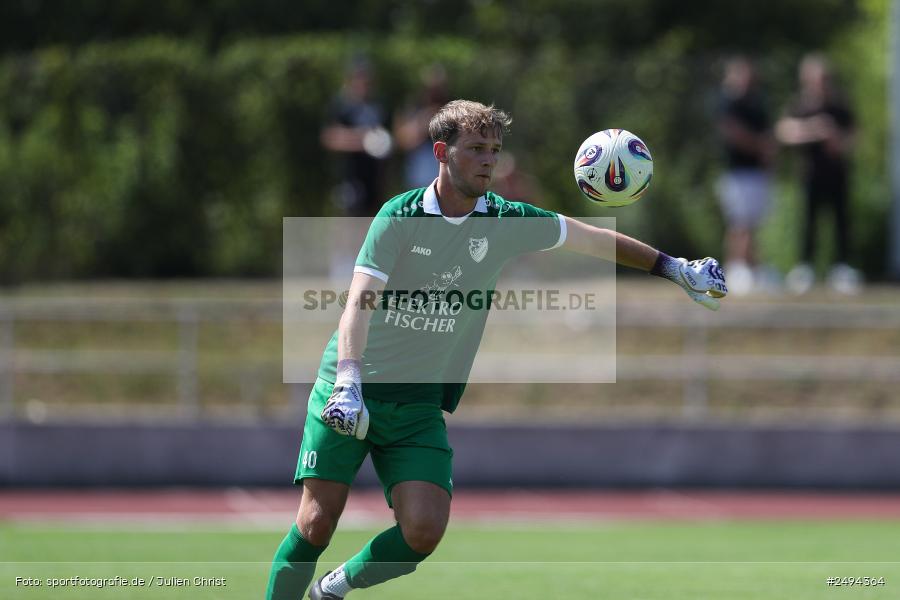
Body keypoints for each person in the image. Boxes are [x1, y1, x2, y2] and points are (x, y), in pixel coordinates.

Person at [266, 100, 728, 600]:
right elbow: (358, 303)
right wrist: (348, 380)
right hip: (350, 390)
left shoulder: (506, 219)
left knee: (422, 532)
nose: (489, 160)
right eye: (477, 149)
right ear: (442, 152)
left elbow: (591, 239)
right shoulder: (398, 216)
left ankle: (332, 589)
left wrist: (673, 267)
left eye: (495, 150)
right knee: (316, 523)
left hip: (417, 404)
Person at [776, 54, 860, 294]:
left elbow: (854, 136)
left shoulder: (840, 105)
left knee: (841, 220)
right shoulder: (801, 105)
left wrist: (839, 142)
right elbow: (784, 131)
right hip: (810, 174)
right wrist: (815, 129)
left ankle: (842, 267)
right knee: (808, 221)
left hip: (837, 173)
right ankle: (805, 267)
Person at [715, 56, 775, 295]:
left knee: (752, 223)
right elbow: (734, 134)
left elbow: (769, 139)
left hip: (757, 173)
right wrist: (759, 146)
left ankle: (752, 268)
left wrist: (767, 155)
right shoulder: (727, 103)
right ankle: (735, 267)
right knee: (739, 222)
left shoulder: (758, 104)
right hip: (737, 173)